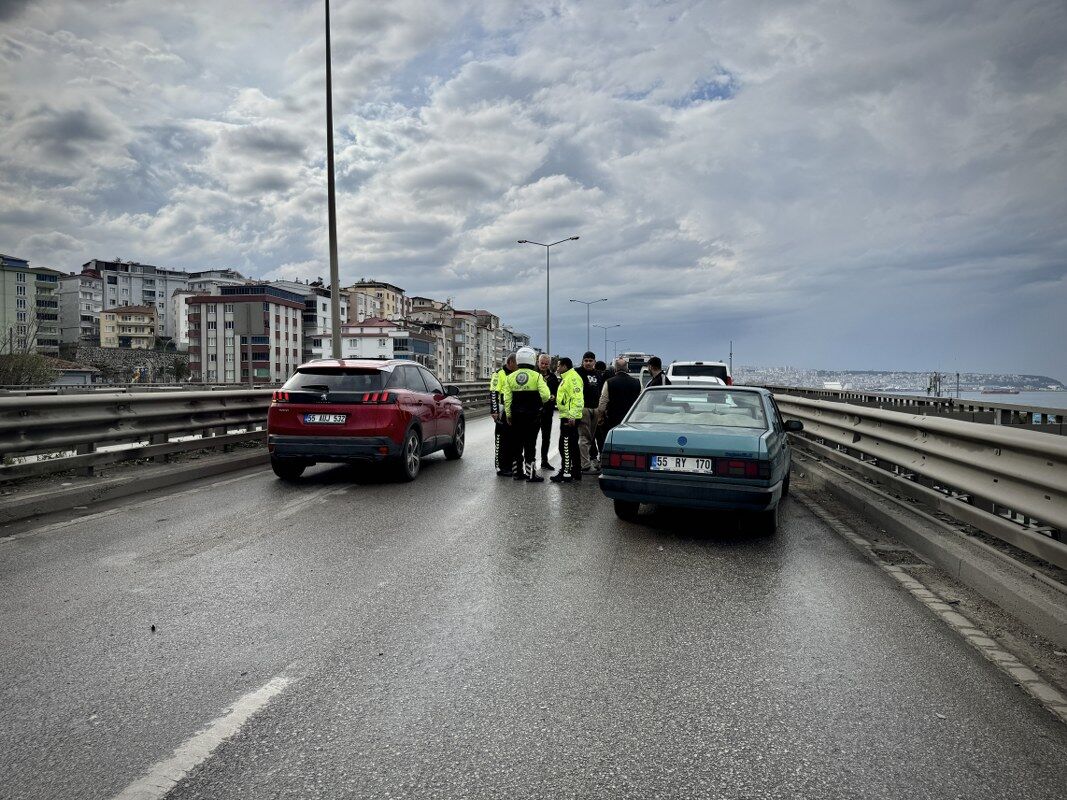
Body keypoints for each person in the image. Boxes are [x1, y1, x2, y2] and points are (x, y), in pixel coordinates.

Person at [501, 347, 552, 482]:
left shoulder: (510, 377)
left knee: (516, 445)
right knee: (530, 445)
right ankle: (531, 474)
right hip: (532, 417)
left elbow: (507, 398)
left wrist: (509, 415)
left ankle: (517, 473)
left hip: (516, 416)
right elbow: (546, 395)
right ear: (533, 359)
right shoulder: (537, 376)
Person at [550, 356, 584, 483]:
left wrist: (572, 415)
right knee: (573, 445)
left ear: (565, 366)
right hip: (567, 415)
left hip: (569, 417)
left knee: (565, 445)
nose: (557, 368)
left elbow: (577, 398)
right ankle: (575, 471)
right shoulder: (567, 377)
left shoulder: (572, 378)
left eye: (559, 365)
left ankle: (566, 473)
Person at [597, 356, 642, 445]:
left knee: (612, 440)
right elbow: (641, 401)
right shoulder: (637, 382)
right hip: (630, 418)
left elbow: (603, 401)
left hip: (613, 418)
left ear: (615, 369)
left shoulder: (609, 382)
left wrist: (600, 416)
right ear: (627, 369)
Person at [573, 351, 603, 473]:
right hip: (583, 408)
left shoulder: (598, 375)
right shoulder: (577, 373)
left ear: (594, 362)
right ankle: (584, 464)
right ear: (582, 361)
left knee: (591, 437)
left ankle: (591, 459)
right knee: (584, 437)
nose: (588, 363)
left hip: (595, 409)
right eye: (586, 360)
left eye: (591, 361)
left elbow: (601, 392)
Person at [490, 353, 518, 476]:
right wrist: (495, 411)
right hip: (501, 410)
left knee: (512, 439)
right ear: (510, 362)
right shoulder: (499, 374)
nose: (518, 366)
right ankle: (500, 466)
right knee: (501, 439)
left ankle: (510, 465)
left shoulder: (516, 374)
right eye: (516, 363)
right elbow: (493, 392)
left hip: (512, 410)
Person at [536, 353, 560, 471]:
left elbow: (556, 393)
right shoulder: (533, 375)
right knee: (531, 438)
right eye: (542, 363)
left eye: (546, 364)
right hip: (534, 412)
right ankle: (530, 461)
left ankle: (544, 461)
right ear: (538, 362)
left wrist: (553, 397)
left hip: (547, 412)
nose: (544, 365)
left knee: (546, 437)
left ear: (549, 364)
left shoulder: (553, 378)